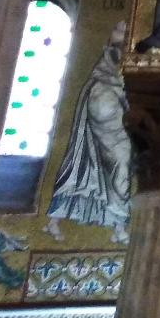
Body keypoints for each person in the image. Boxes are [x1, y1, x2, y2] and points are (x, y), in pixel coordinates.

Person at [44, 28, 132, 244]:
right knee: (117, 164)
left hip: (113, 110)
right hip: (106, 109)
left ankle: (118, 225)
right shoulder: (109, 68)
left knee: (110, 167)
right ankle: (119, 226)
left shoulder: (116, 67)